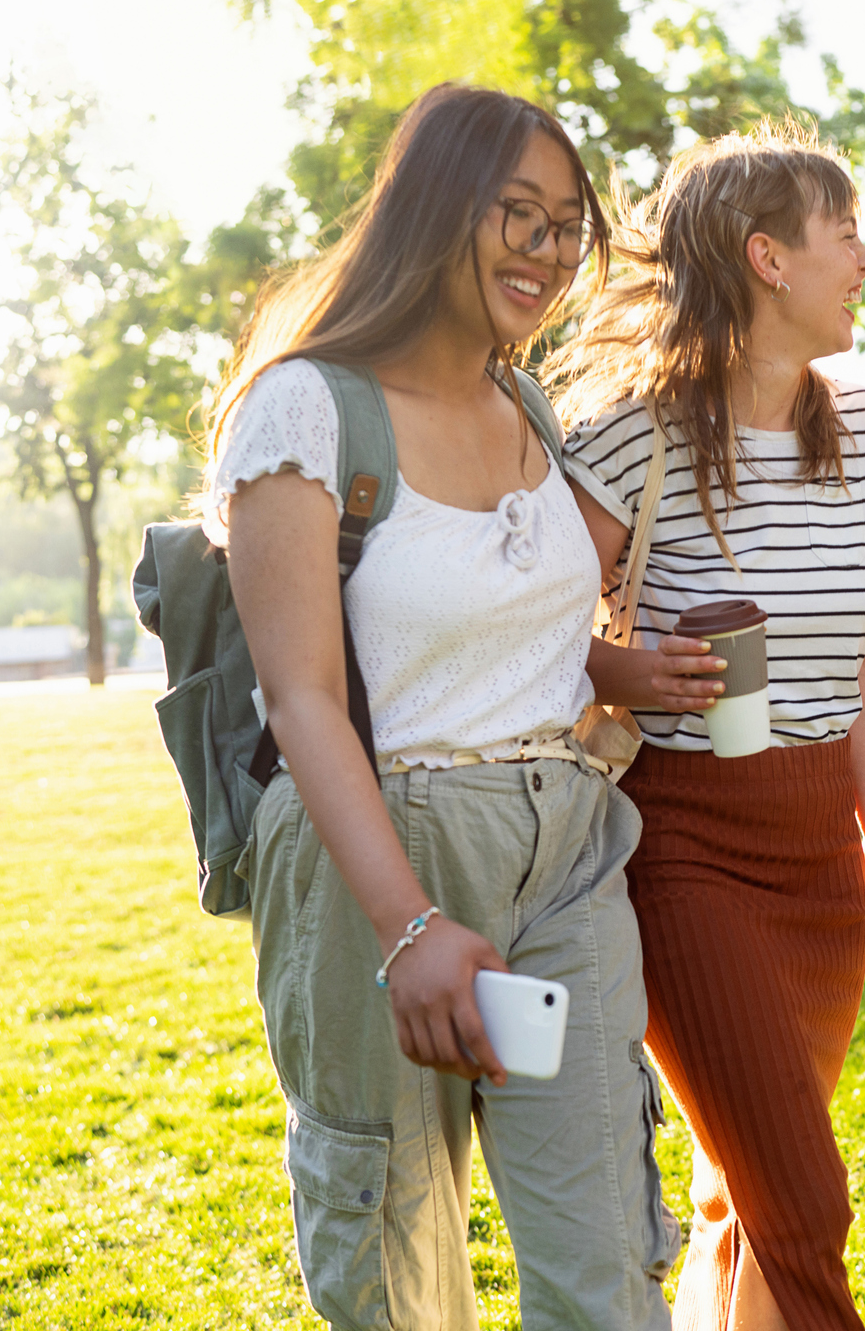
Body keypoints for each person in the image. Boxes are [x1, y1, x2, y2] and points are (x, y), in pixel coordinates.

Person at [205, 83, 680, 1331]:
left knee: (602, 1244)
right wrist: (408, 926)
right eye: (513, 212)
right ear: (431, 211)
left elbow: (522, 642)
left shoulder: (522, 404)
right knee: (398, 1263)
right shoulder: (307, 408)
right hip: (386, 860)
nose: (546, 247)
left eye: (565, 222)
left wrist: (635, 670)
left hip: (563, 862)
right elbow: (303, 698)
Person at [549, 125, 865, 1331]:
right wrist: (624, 667)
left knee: (744, 1193)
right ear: (766, 257)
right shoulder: (631, 431)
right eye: (842, 230)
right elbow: (521, 627)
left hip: (818, 857)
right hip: (686, 843)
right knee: (803, 1200)